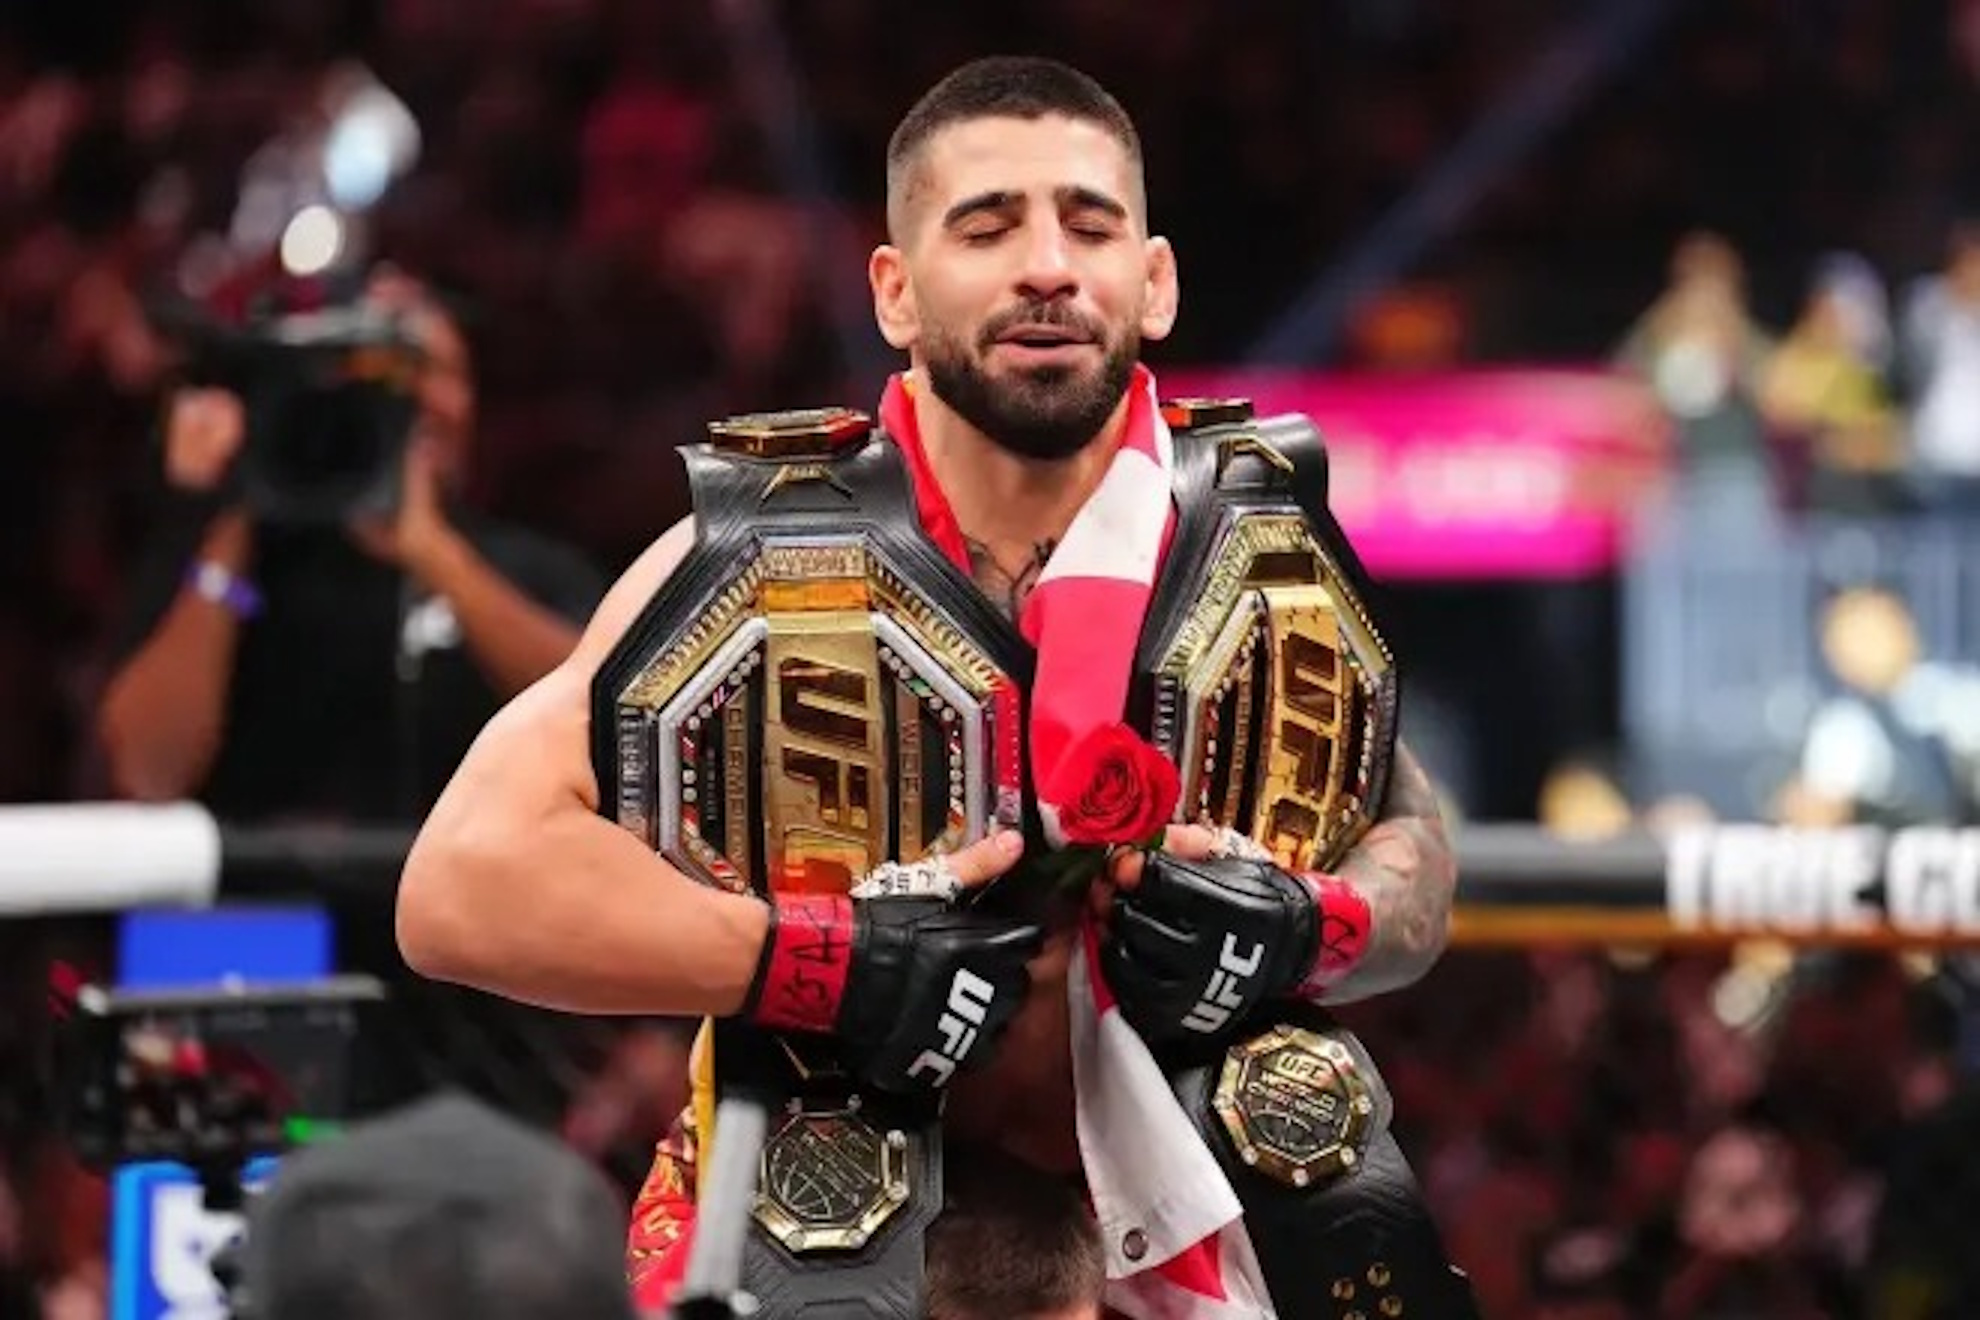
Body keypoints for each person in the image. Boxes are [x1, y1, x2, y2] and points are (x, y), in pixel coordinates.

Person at [398, 56, 1468, 1317]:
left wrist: (1306, 924)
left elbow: (1416, 859)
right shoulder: (759, 562)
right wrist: (815, 965)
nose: (1048, 267)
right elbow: (459, 884)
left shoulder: (1258, 556)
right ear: (897, 294)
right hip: (837, 1231)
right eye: (988, 224)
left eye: (1089, 222)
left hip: (1215, 1222)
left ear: (1155, 279)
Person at [96, 269, 603, 823]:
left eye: (428, 369)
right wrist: (238, 509)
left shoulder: (529, 568)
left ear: (472, 400)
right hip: (266, 906)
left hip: (462, 903)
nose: (407, 399)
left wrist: (433, 554)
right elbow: (146, 774)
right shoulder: (229, 576)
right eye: (372, 374)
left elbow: (599, 733)